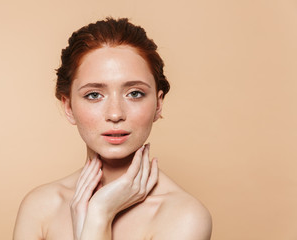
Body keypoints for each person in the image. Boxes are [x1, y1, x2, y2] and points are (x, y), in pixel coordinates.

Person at [13, 17, 212, 240]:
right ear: (68, 107)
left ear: (158, 104)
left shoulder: (184, 217)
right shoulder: (41, 207)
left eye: (134, 93)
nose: (115, 114)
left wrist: (98, 215)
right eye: (94, 95)